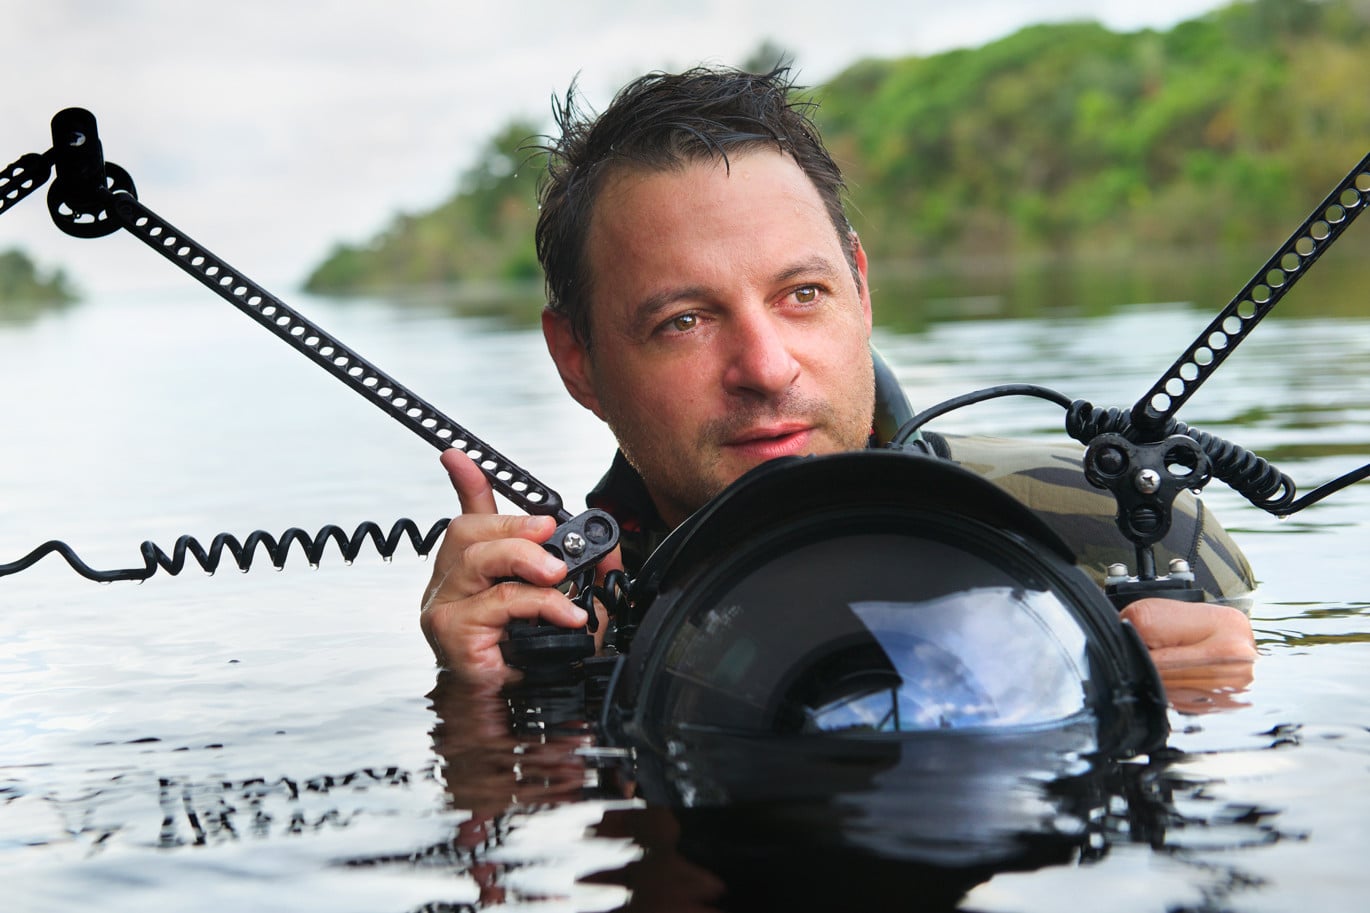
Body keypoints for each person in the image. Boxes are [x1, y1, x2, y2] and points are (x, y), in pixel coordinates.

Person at [419, 66, 1258, 690]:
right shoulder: (549, 623)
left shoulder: (1121, 527)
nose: (766, 367)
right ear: (579, 360)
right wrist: (488, 711)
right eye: (684, 321)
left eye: (802, 294)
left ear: (861, 289)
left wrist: (1203, 699)